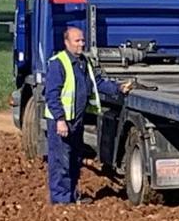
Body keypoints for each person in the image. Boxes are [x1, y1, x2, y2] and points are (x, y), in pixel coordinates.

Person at [43, 26, 134, 204]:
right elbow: (51, 95)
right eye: (77, 41)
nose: (81, 44)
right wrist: (60, 120)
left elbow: (96, 83)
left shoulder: (84, 62)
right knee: (60, 161)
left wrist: (118, 88)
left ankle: (72, 196)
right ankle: (61, 200)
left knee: (74, 159)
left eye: (83, 40)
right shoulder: (58, 63)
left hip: (77, 121)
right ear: (67, 42)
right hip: (61, 122)